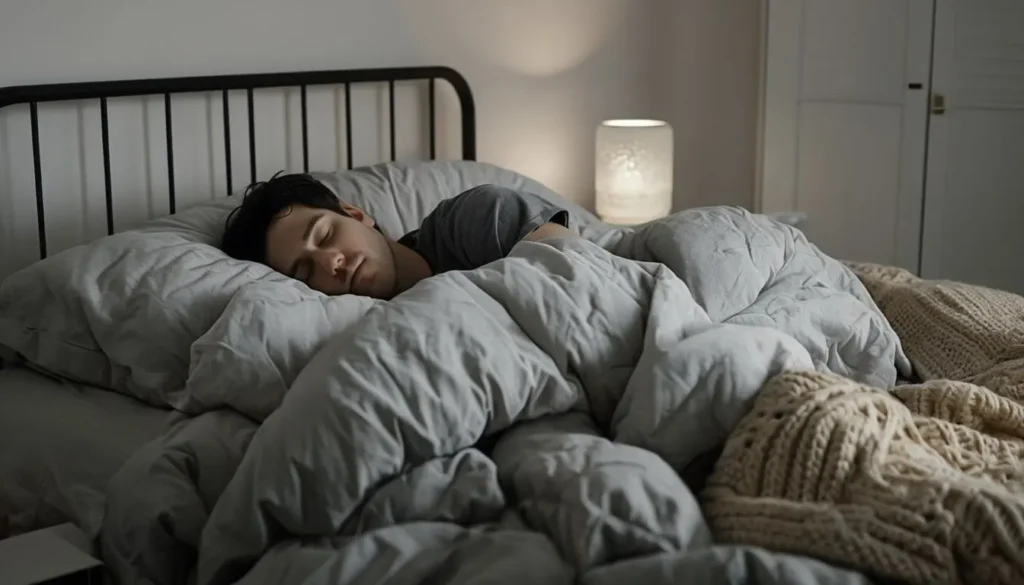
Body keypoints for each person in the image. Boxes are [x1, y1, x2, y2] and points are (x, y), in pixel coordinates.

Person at [221, 172, 573, 299]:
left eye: (326, 235)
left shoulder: (476, 217)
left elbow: (583, 277)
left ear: (356, 214)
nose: (331, 263)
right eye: (304, 272)